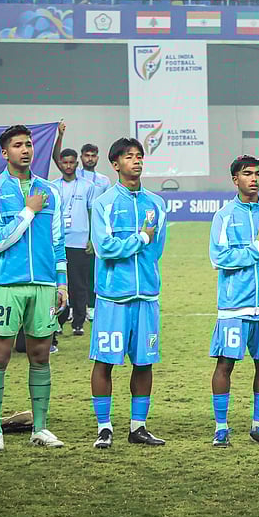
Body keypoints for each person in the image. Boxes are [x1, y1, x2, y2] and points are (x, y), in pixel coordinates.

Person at [0, 125, 67, 452]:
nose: (25, 149)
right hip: (7, 285)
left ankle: (39, 428)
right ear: (5, 153)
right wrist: (29, 211)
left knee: (41, 356)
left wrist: (62, 282)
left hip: (44, 285)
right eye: (17, 145)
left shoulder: (50, 191)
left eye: (28, 144)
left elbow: (57, 241)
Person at [88, 138, 168, 449]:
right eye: (129, 156)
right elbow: (105, 248)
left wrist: (144, 254)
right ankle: (104, 427)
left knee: (144, 362)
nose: (136, 161)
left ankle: (138, 427)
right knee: (104, 362)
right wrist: (140, 240)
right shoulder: (104, 203)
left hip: (146, 296)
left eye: (139, 156)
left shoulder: (156, 204)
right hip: (113, 298)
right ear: (115, 164)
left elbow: (157, 249)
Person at [208, 155, 259, 447]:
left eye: (258, 173)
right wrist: (254, 249)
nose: (254, 178)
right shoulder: (224, 216)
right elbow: (219, 258)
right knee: (225, 364)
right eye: (247, 173)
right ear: (235, 179)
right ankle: (221, 428)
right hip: (233, 305)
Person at [55, 148, 95, 338]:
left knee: (80, 285)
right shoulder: (53, 186)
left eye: (72, 162)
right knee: (59, 284)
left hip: (80, 242)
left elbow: (92, 213)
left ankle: (78, 322)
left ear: (77, 164)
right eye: (65, 162)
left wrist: (91, 238)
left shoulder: (87, 186)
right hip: (59, 243)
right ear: (60, 164)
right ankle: (59, 321)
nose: (69, 166)